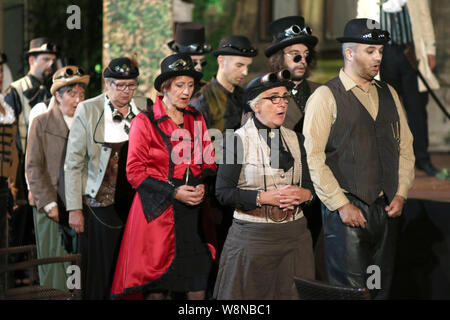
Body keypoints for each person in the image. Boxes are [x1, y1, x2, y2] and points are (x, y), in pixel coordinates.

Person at [303, 19, 415, 299]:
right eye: (370, 50)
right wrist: (341, 205)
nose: (378, 56)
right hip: (347, 212)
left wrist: (400, 193)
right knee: (351, 292)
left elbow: (406, 147)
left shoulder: (388, 93)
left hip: (385, 211)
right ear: (350, 53)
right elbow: (314, 157)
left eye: (380, 50)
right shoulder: (325, 96)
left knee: (377, 286)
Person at [111, 53, 217, 300]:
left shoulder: (196, 117)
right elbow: (134, 172)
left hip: (193, 212)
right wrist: (173, 192)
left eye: (190, 85)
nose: (186, 91)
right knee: (158, 286)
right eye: (180, 85)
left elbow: (209, 161)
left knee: (197, 280)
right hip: (158, 211)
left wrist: (204, 187)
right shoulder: (144, 121)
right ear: (165, 87)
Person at [213, 70, 315, 300]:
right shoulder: (237, 140)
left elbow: (311, 186)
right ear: (255, 105)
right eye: (273, 98)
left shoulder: (296, 139)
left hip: (295, 236)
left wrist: (305, 194)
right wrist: (263, 198)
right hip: (254, 237)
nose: (282, 104)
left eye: (285, 97)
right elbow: (223, 193)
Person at [64, 57, 148, 300]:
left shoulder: (142, 108)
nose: (126, 91)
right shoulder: (88, 109)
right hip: (98, 204)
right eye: (119, 85)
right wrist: (74, 208)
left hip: (132, 205)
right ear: (107, 84)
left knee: (128, 271)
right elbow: (73, 162)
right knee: (100, 272)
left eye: (131, 85)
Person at [357, 0, 440, 176]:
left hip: (410, 54)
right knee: (385, 110)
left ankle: (422, 159)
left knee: (416, 109)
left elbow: (425, 19)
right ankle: (388, 162)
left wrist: (430, 49)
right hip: (381, 57)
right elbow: (361, 23)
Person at [25, 66, 89, 291]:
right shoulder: (41, 122)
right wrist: (49, 203)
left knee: (79, 265)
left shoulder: (88, 122)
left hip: (80, 205)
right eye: (72, 94)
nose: (78, 100)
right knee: (53, 266)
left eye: (81, 94)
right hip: (50, 206)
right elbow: (33, 166)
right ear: (58, 96)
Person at [4, 38, 58, 265]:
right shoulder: (15, 91)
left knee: (42, 228)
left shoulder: (53, 91)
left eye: (52, 61)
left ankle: (39, 277)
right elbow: (8, 134)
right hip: (22, 169)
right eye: (45, 60)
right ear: (31, 60)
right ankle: (15, 278)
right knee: (20, 225)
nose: (50, 65)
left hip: (48, 170)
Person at [190, 35, 257, 133]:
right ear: (221, 61)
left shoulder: (246, 98)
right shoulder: (202, 102)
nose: (245, 72)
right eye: (239, 65)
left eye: (248, 66)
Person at [264, 15, 320, 133]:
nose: (303, 61)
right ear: (279, 57)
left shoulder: (321, 91)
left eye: (306, 54)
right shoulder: (262, 95)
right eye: (295, 54)